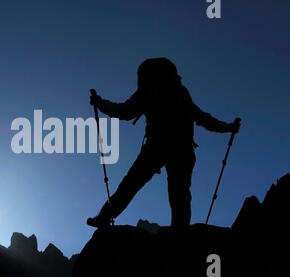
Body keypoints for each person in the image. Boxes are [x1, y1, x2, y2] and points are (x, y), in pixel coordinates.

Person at [87, 57, 241, 228]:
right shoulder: (180, 92)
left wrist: (100, 103)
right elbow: (202, 118)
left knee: (131, 184)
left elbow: (124, 111)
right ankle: (179, 231)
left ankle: (104, 217)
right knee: (179, 192)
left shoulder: (148, 92)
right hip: (182, 149)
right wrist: (228, 127)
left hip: (156, 147)